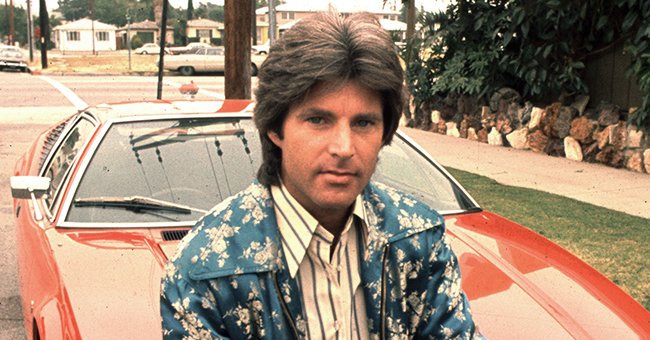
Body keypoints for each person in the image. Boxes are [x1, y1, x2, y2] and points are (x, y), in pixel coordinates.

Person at [160, 11, 481, 339]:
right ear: (274, 127)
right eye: (318, 120)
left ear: (385, 131)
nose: (343, 148)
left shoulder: (419, 240)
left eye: (363, 123)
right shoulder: (206, 268)